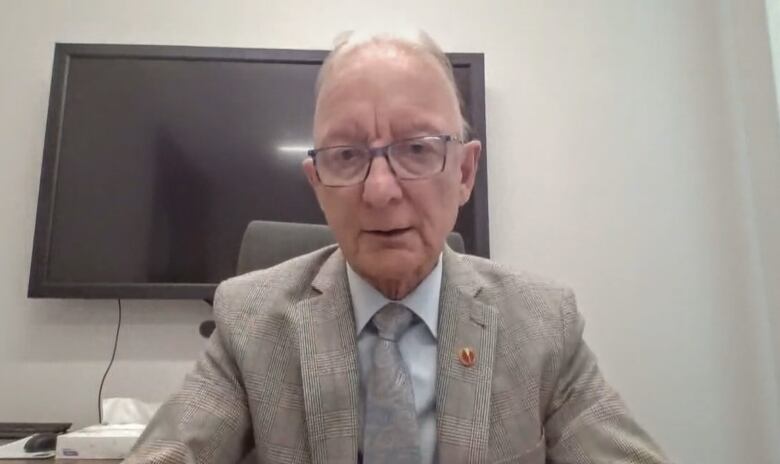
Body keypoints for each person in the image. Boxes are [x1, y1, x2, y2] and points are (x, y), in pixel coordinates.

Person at [126, 30, 670, 464]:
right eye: (346, 155)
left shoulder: (542, 324)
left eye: (416, 148)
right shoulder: (250, 320)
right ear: (317, 185)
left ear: (464, 171)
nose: (381, 191)